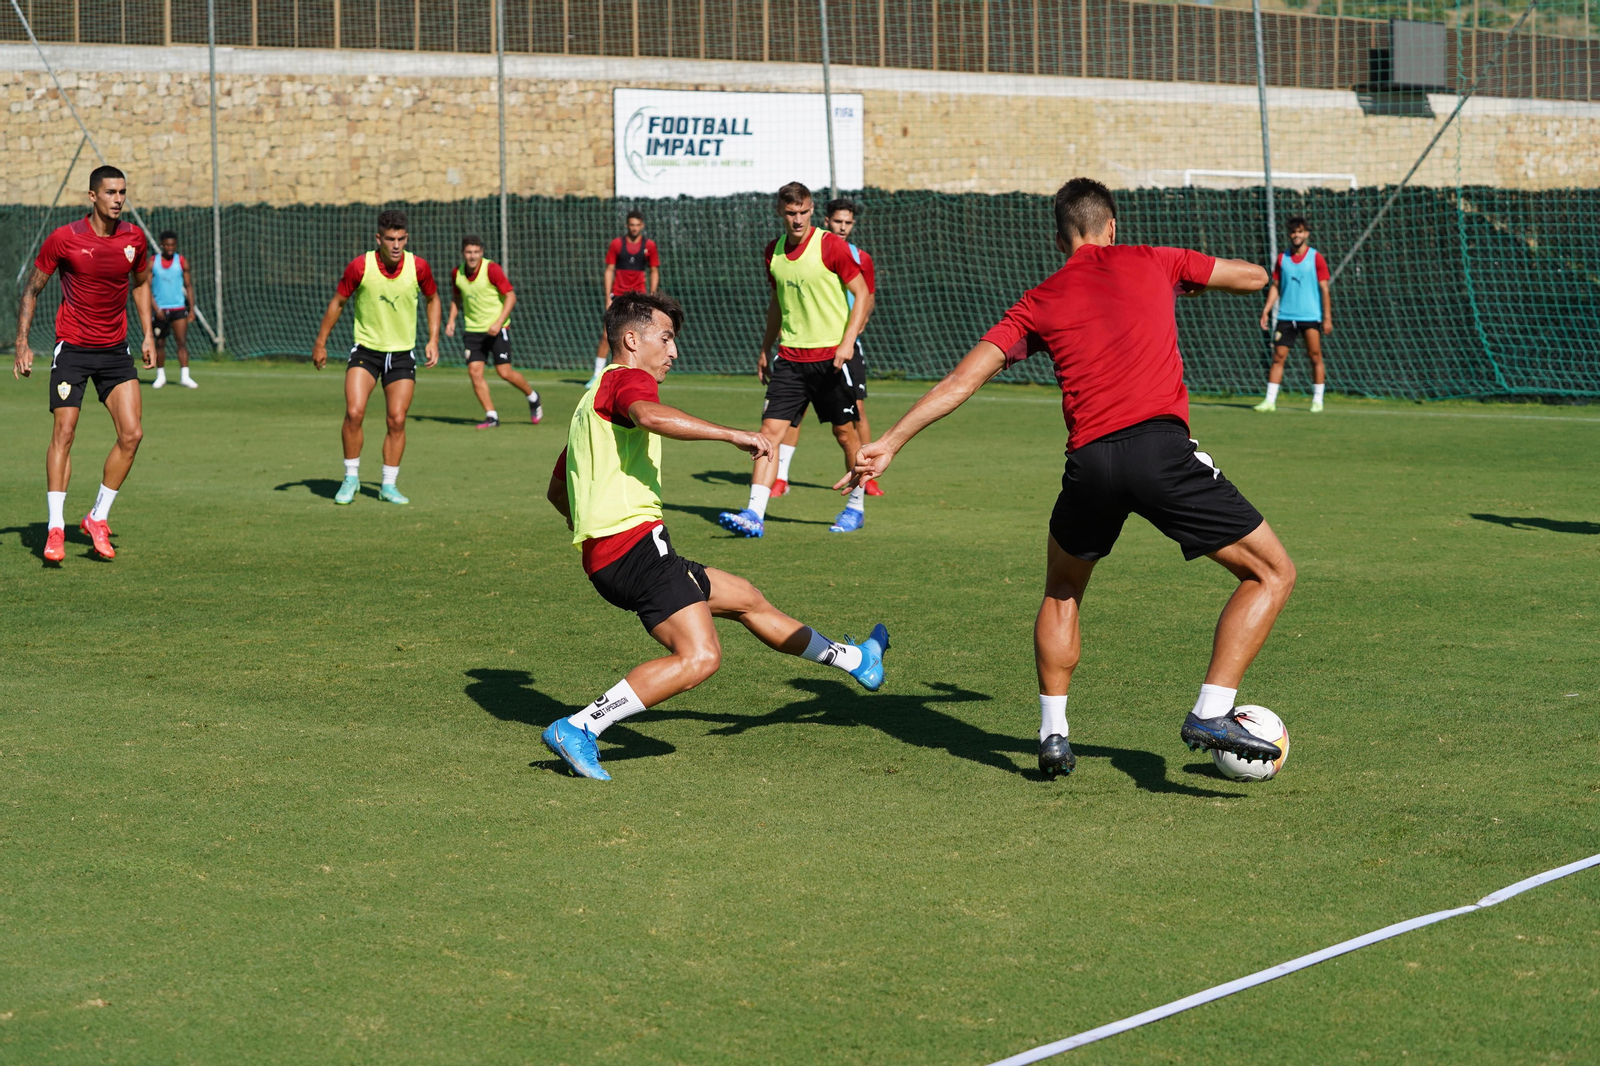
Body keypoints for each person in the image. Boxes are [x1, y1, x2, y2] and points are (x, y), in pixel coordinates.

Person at [841, 177, 1296, 778]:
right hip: (1159, 452)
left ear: (1060, 239)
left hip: (1089, 466)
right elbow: (1251, 277)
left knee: (1063, 588)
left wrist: (891, 442)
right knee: (1271, 572)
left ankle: (1053, 735)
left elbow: (960, 382)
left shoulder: (1039, 299)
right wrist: (1191, 276)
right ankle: (1212, 710)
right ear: (1112, 226)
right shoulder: (1154, 260)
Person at [542, 292, 891, 781]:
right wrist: (734, 435)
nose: (673, 352)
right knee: (700, 657)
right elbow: (650, 416)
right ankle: (579, 726)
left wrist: (594, 530)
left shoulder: (590, 399)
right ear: (630, 339)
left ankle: (856, 659)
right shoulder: (627, 379)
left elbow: (560, 489)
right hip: (635, 549)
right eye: (665, 339)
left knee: (747, 599)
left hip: (617, 552)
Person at [12, 164, 155, 563]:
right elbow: (32, 288)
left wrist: (146, 333)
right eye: (110, 193)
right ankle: (55, 527)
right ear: (92, 196)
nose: (118, 199)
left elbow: (141, 283)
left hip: (115, 351)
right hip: (72, 348)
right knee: (65, 431)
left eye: (122, 192)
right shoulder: (65, 238)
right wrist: (22, 343)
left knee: (133, 435)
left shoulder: (133, 239)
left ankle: (97, 517)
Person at [718, 182, 872, 538]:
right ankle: (754, 514)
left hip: (832, 359)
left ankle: (856, 507)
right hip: (789, 359)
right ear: (779, 212)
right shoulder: (772, 252)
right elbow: (776, 304)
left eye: (803, 212)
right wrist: (765, 347)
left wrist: (848, 342)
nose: (798, 219)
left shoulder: (831, 245)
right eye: (791, 213)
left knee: (846, 435)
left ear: (812, 210)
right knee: (768, 434)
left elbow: (861, 294)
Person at [311, 209, 441, 506]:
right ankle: (350, 478)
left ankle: (388, 485)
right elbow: (338, 302)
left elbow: (433, 299)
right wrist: (320, 343)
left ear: (406, 238)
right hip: (366, 352)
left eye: (401, 239)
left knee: (396, 420)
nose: (396, 245)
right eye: (390, 239)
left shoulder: (418, 267)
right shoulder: (360, 266)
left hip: (401, 355)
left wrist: (432, 339)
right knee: (354, 413)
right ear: (378, 238)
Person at [771, 198, 884, 500]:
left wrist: (852, 335)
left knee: (855, 412)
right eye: (838, 222)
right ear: (826, 220)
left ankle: (866, 475)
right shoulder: (813, 248)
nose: (843, 227)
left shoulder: (861, 257)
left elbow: (867, 296)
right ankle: (780, 477)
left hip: (843, 348)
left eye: (848, 223)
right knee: (794, 414)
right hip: (802, 349)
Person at [444, 234, 541, 429]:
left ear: (481, 252)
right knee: (474, 372)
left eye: (476, 252)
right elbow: (457, 298)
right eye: (468, 252)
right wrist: (451, 320)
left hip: (497, 329)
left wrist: (499, 322)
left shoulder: (491, 269)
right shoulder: (457, 273)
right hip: (472, 330)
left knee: (504, 372)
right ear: (463, 253)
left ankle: (533, 397)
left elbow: (511, 296)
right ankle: (491, 415)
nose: (472, 256)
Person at [1254, 217, 1331, 413]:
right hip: (1286, 316)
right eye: (1293, 232)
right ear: (1290, 235)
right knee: (1278, 356)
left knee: (1315, 356)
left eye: (1300, 231)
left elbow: (1324, 289)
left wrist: (1327, 317)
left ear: (1306, 234)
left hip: (1310, 316)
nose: (1296, 235)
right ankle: (1270, 401)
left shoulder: (1316, 257)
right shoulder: (1282, 258)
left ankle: (1317, 400)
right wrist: (1266, 309)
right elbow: (1276, 285)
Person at [589, 209, 659, 388]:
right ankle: (597, 376)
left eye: (637, 225)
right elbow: (609, 270)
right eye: (631, 225)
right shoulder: (617, 244)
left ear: (642, 226)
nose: (634, 228)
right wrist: (608, 297)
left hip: (639, 298)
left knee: (641, 336)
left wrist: (651, 295)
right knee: (607, 335)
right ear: (627, 226)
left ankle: (640, 374)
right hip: (618, 297)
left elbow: (654, 271)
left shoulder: (649, 245)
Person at [149, 230, 197, 389]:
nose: (170, 248)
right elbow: (146, 288)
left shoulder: (182, 261)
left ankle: (185, 376)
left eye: (173, 245)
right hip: (160, 310)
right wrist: (156, 308)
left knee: (182, 342)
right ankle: (160, 376)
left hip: (178, 309)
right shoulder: (152, 262)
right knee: (160, 343)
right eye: (167, 245)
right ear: (161, 244)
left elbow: (189, 286)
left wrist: (191, 309)